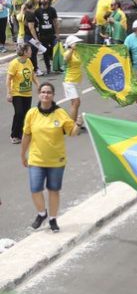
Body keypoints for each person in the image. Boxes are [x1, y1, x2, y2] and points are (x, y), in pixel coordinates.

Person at [21, 83, 80, 232]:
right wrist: (23, 154)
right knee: (35, 189)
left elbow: (71, 132)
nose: (45, 95)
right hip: (36, 159)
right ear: (39, 94)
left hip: (56, 160)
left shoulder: (60, 113)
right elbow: (26, 135)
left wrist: (78, 124)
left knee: (54, 190)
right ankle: (42, 214)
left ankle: (53, 219)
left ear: (53, 95)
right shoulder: (32, 113)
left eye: (48, 92)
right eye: (43, 92)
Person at [7, 43, 39, 144]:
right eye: (29, 50)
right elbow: (8, 79)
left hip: (27, 93)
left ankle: (23, 133)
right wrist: (9, 93)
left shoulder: (29, 61)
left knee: (25, 114)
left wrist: (39, 85)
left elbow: (32, 74)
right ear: (24, 52)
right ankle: (15, 135)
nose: (31, 52)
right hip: (17, 93)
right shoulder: (14, 63)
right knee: (19, 113)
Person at [34, 0, 59, 75]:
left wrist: (57, 33)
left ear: (48, 0)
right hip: (42, 35)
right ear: (40, 0)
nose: (43, 0)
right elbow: (35, 23)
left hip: (52, 34)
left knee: (55, 49)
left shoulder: (52, 10)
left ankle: (56, 64)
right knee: (45, 52)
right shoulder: (37, 11)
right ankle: (48, 67)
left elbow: (55, 22)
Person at [62, 35, 84, 125]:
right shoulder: (68, 52)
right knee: (76, 102)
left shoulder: (77, 53)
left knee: (75, 103)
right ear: (71, 44)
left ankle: (73, 122)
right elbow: (65, 58)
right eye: (76, 43)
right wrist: (71, 49)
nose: (78, 44)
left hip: (77, 81)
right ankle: (71, 125)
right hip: (69, 81)